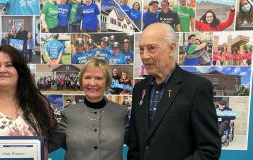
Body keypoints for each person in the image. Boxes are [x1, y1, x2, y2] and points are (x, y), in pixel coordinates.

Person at [127, 23, 221, 160]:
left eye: (151, 48)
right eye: (141, 49)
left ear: (171, 49)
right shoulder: (140, 89)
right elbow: (135, 145)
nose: (144, 56)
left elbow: (210, 150)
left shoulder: (197, 88)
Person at [49, 58, 129, 159]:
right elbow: (50, 144)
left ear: (107, 83)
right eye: (87, 77)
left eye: (98, 78)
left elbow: (138, 146)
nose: (92, 83)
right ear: (81, 81)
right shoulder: (68, 113)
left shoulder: (121, 113)